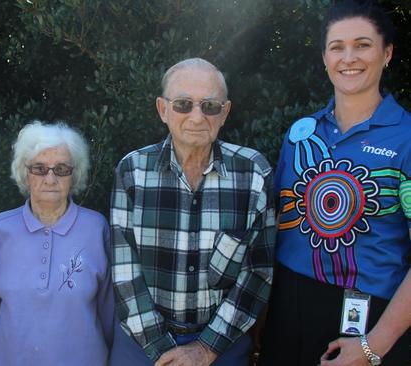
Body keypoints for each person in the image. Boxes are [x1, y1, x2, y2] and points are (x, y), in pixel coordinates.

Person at [257, 1, 411, 365]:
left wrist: (374, 346)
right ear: (325, 58)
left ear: (387, 53)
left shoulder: (406, 138)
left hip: (373, 319)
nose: (349, 57)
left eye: (363, 44)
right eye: (336, 47)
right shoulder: (300, 135)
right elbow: (276, 227)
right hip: (288, 306)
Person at [110, 58, 276, 366]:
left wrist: (206, 349)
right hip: (141, 343)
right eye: (183, 104)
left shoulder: (254, 173)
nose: (197, 117)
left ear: (224, 113)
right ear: (163, 110)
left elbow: (258, 272)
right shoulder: (132, 171)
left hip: (222, 345)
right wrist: (161, 351)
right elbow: (124, 271)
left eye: (210, 106)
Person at [0, 121, 115, 365]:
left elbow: (108, 311)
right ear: (25, 173)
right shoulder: (0, 229)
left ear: (74, 175)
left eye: (61, 169)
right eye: (39, 168)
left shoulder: (97, 228)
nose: (50, 178)